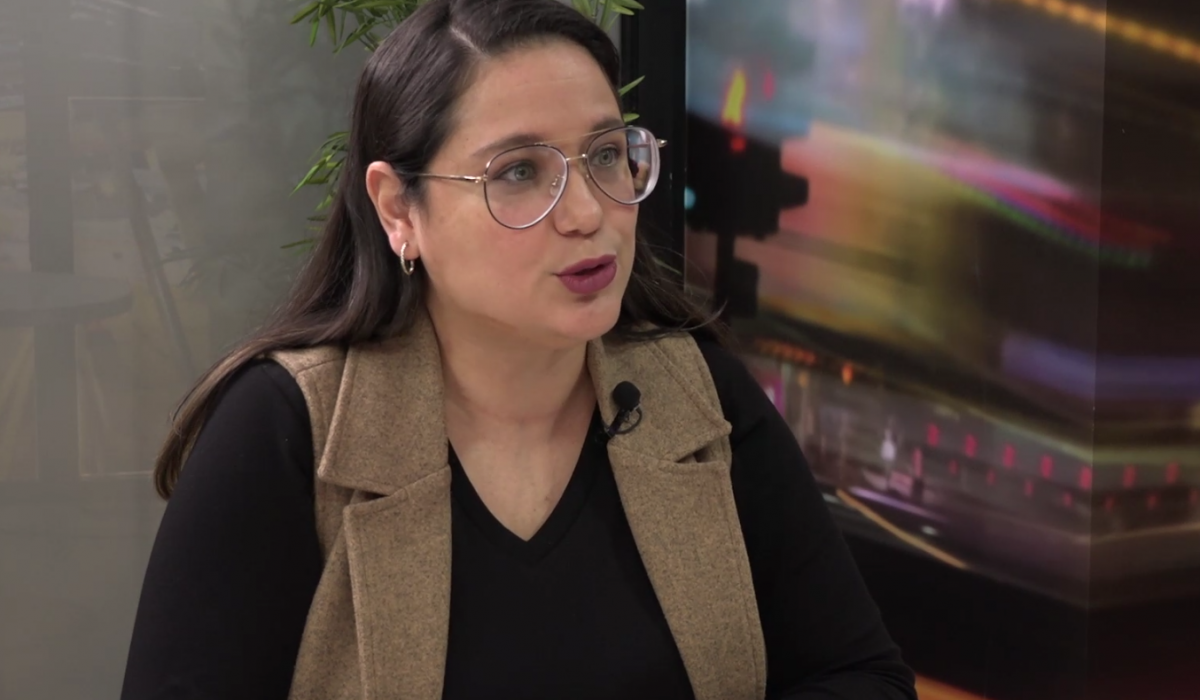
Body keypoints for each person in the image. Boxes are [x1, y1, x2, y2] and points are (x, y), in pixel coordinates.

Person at [120, 1, 918, 699]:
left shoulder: (697, 397)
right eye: (519, 172)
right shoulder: (284, 432)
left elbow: (862, 676)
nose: (587, 214)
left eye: (605, 156)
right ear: (398, 209)